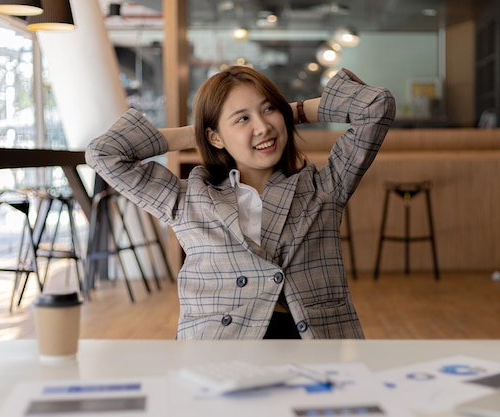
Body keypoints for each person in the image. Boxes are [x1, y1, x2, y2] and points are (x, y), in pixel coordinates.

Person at [86, 66, 395, 340]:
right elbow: (104, 153)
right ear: (215, 137)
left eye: (269, 109)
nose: (262, 127)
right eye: (243, 118)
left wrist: (293, 112)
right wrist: (194, 134)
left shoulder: (325, 187)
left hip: (311, 343)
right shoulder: (188, 197)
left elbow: (375, 105)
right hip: (221, 349)